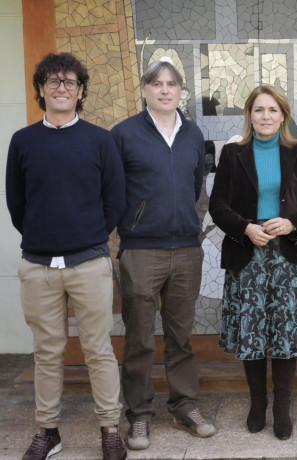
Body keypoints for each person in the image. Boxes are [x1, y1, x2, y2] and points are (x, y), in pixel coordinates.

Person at [6, 52, 127, 460]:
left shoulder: (99, 139)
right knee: (47, 352)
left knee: (98, 350)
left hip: (89, 262)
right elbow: (17, 204)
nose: (62, 88)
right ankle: (48, 431)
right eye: (53, 82)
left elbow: (115, 200)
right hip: (37, 266)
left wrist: (86, 237)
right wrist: (45, 238)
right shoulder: (23, 141)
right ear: (41, 89)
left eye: (70, 82)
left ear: (80, 92)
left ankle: (110, 427)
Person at [111, 58, 215, 451]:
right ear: (144, 90)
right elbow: (112, 191)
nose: (165, 90)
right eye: (157, 83)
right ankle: (138, 415)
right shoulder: (124, 134)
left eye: (172, 84)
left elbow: (195, 187)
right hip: (141, 250)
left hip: (186, 250)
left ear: (181, 91)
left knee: (181, 336)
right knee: (139, 339)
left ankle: (185, 405)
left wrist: (189, 223)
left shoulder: (193, 134)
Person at [209, 85, 297, 440]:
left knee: (286, 333)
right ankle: (258, 403)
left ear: (283, 115)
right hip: (248, 256)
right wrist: (245, 228)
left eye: (273, 110)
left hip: (288, 257)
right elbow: (218, 205)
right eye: (259, 110)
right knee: (252, 331)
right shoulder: (232, 153)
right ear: (249, 115)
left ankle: (282, 406)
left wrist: (292, 224)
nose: (266, 116)